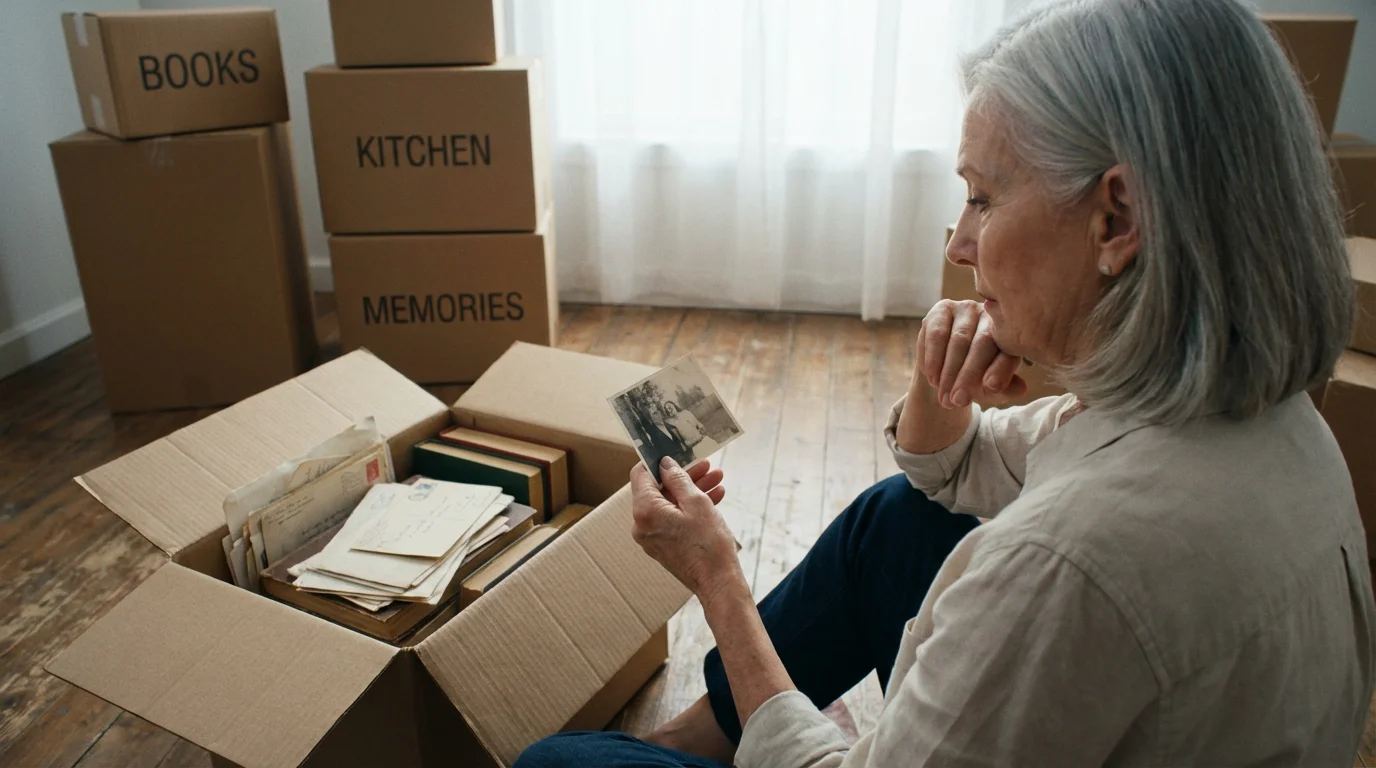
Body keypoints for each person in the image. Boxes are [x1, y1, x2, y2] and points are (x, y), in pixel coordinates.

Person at [515, 0, 1375, 765]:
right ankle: (702, 736)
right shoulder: (1261, 418)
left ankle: (703, 741)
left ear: (1117, 219)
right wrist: (939, 375)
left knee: (555, 762)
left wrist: (718, 580)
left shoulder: (1067, 562)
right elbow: (947, 473)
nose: (960, 244)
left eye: (982, 197)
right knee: (896, 519)